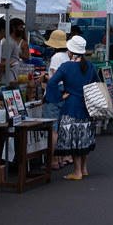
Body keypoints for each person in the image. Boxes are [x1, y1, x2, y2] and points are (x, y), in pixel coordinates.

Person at [45, 35, 98, 181]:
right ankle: (84, 168)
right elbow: (96, 84)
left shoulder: (66, 67)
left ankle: (77, 172)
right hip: (87, 106)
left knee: (74, 139)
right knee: (84, 138)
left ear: (70, 50)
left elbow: (51, 83)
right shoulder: (90, 66)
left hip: (71, 106)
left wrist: (58, 97)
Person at [42, 29, 71, 169]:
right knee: (61, 127)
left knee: (52, 128)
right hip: (65, 91)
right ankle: (61, 158)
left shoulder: (56, 57)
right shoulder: (67, 56)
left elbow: (53, 77)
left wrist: (44, 77)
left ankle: (52, 160)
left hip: (54, 92)